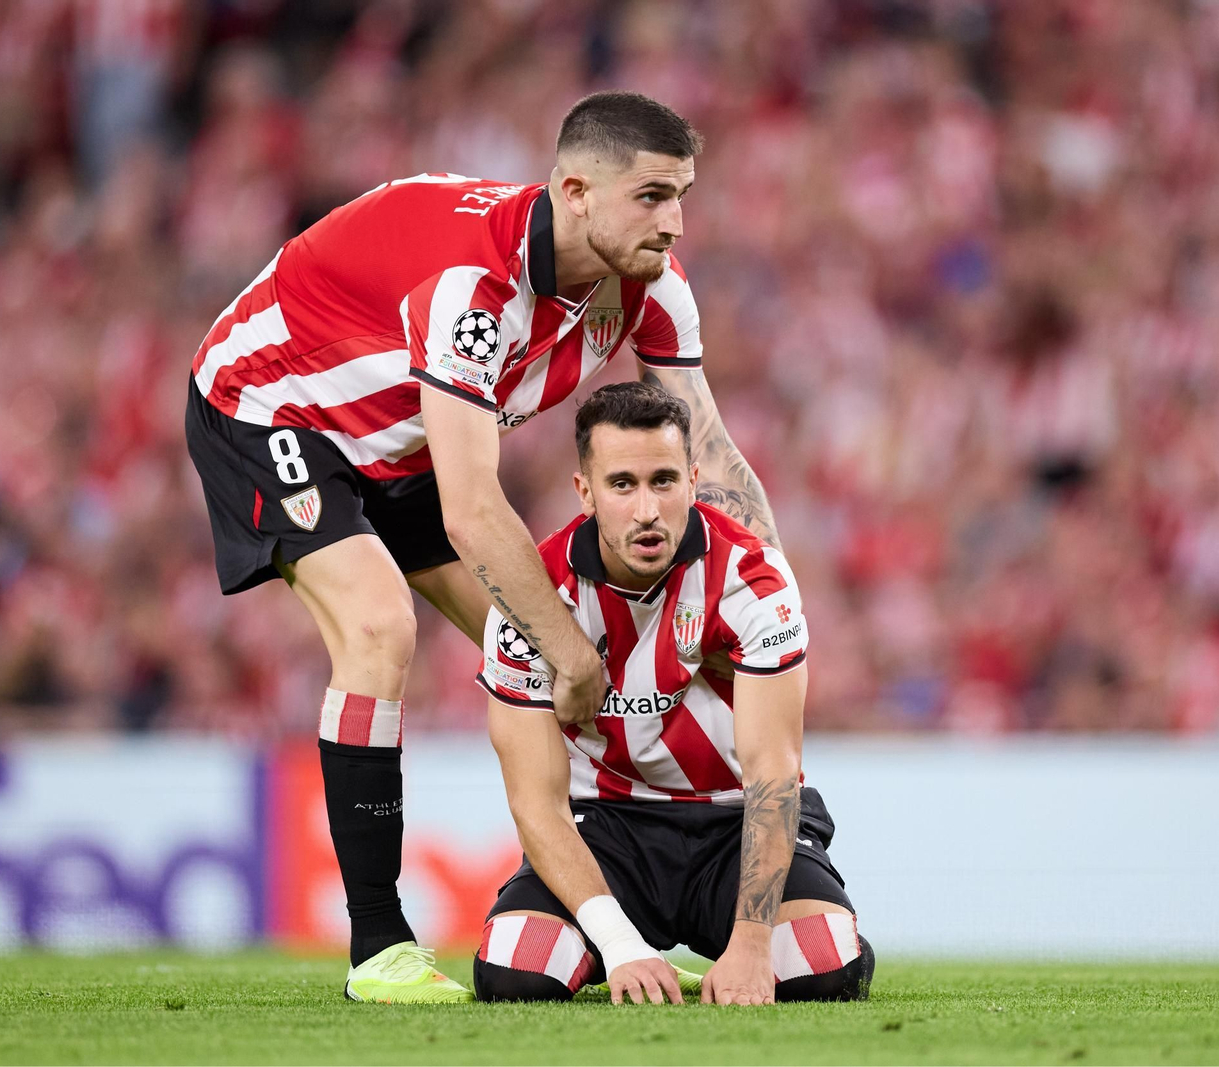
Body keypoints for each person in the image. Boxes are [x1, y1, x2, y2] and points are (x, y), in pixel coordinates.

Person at [183, 91, 782, 1001]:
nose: (677, 223)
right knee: (385, 626)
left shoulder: (653, 284)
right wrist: (570, 651)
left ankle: (629, 925)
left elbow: (706, 450)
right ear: (576, 191)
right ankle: (377, 947)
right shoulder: (473, 286)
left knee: (549, 664)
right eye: (653, 198)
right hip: (273, 403)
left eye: (682, 196)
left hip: (402, 439)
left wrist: (773, 600)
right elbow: (471, 509)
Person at [472, 382, 874, 1005]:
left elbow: (774, 774)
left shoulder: (752, 580)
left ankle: (806, 920)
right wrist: (620, 944)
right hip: (605, 828)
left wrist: (749, 942)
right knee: (514, 972)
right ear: (586, 492)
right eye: (622, 485)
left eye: (663, 481)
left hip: (735, 821)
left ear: (691, 481)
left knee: (824, 967)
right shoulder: (534, 598)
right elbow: (535, 804)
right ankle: (618, 948)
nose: (646, 510)